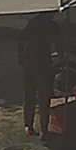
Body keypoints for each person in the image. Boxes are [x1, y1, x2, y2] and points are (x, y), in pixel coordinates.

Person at [18, 10, 60, 141]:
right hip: (43, 63)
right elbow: (59, 45)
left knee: (29, 95)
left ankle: (28, 125)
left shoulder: (33, 22)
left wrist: (20, 57)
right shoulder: (52, 25)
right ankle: (43, 130)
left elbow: (21, 39)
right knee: (43, 98)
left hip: (29, 61)